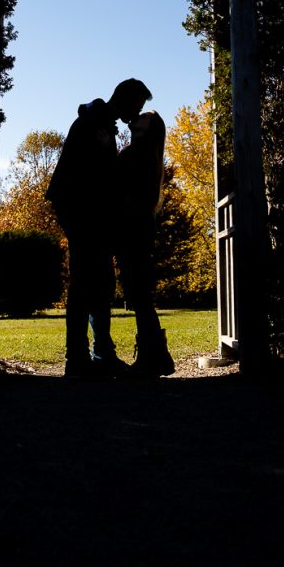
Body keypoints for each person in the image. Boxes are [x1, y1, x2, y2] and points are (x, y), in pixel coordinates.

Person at [46, 78, 152, 378]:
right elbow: (95, 176)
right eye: (137, 106)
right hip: (82, 211)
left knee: (99, 280)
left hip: (87, 211)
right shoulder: (95, 122)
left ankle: (98, 354)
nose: (136, 114)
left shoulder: (101, 121)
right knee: (85, 281)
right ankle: (80, 357)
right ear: (125, 98)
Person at [115, 110, 175, 377]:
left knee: (137, 292)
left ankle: (155, 356)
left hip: (132, 227)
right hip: (139, 227)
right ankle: (155, 354)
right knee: (139, 293)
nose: (135, 117)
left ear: (148, 128)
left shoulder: (136, 154)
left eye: (143, 117)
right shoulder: (148, 156)